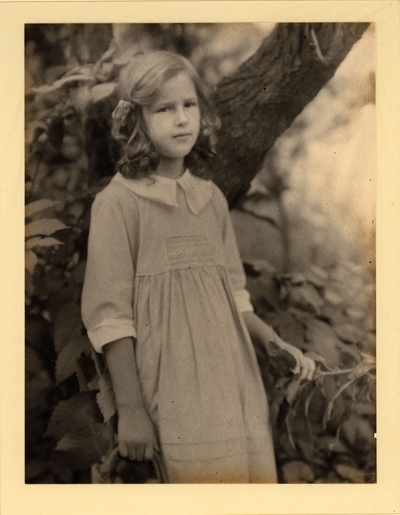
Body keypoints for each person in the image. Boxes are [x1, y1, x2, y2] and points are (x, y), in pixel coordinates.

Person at [81, 50, 315, 483]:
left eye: (188, 105)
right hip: (169, 392)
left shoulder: (211, 201)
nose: (182, 119)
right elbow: (110, 318)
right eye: (164, 109)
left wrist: (270, 342)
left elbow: (235, 296)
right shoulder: (118, 205)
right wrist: (131, 410)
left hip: (234, 383)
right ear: (135, 120)